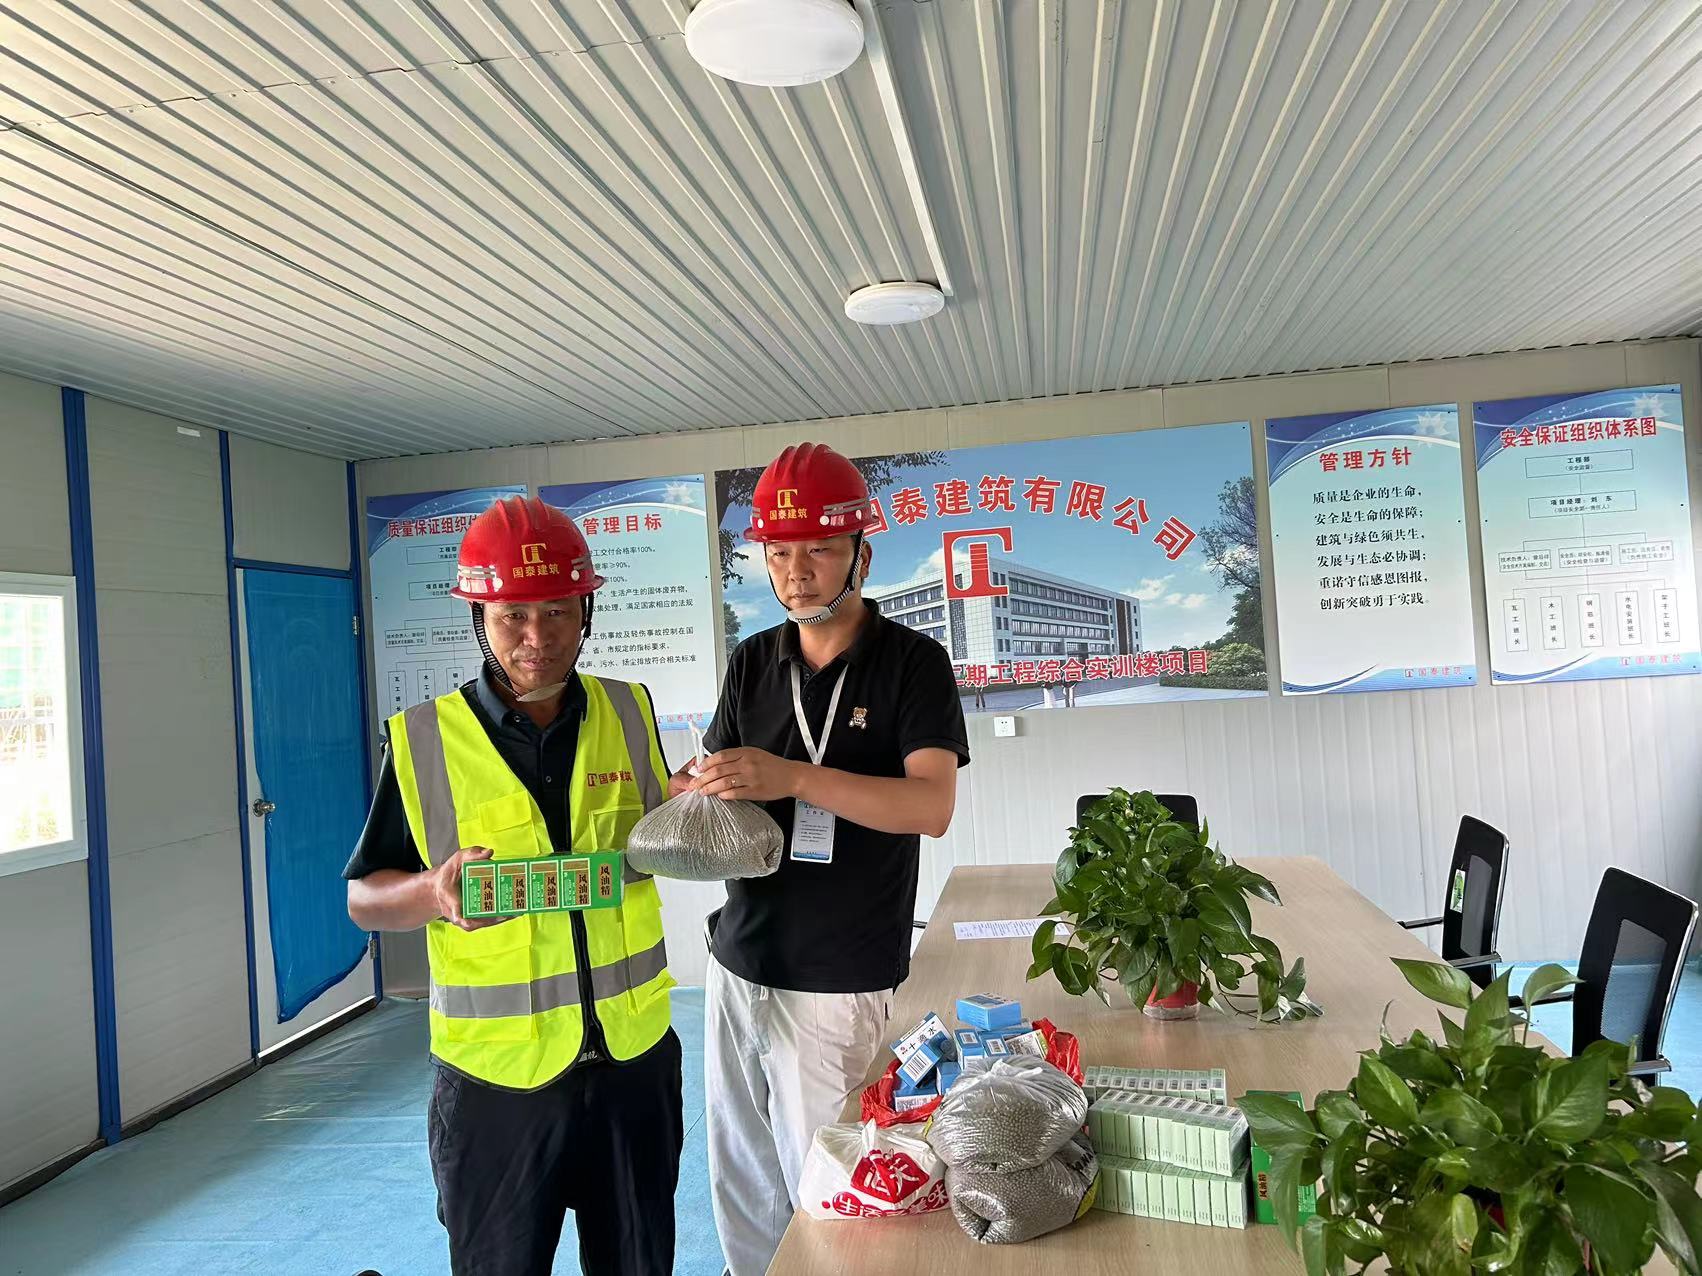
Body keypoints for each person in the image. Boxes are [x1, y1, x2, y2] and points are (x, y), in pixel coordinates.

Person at [344, 496, 682, 1276]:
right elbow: (364, 897)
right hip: (497, 1086)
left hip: (632, 1066)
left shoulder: (629, 711)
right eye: (513, 617)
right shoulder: (425, 740)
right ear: (480, 619)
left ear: (586, 609)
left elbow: (659, 839)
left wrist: (699, 806)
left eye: (558, 611)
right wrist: (432, 893)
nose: (538, 637)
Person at [677, 443, 970, 1275]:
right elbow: (714, 775)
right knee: (741, 1173)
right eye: (778, 552)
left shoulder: (912, 662)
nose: (796, 571)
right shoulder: (752, 660)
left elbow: (931, 806)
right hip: (739, 955)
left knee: (833, 1181)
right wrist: (691, 785)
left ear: (860, 556)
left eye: (818, 549)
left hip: (839, 971)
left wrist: (798, 778)